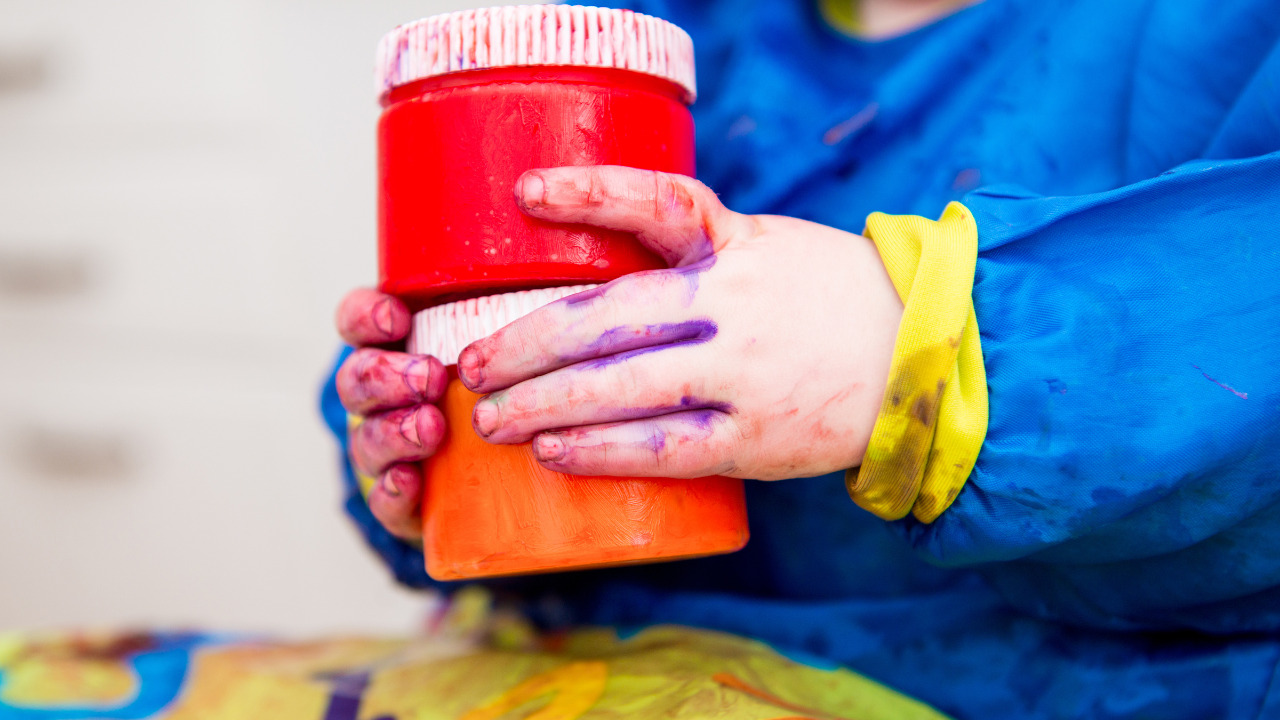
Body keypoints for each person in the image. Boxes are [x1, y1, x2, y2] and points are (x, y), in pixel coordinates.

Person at [324, 0, 1280, 717]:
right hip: (622, 661)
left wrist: (925, 343)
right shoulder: (642, 22)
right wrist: (429, 451)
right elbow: (461, 309)